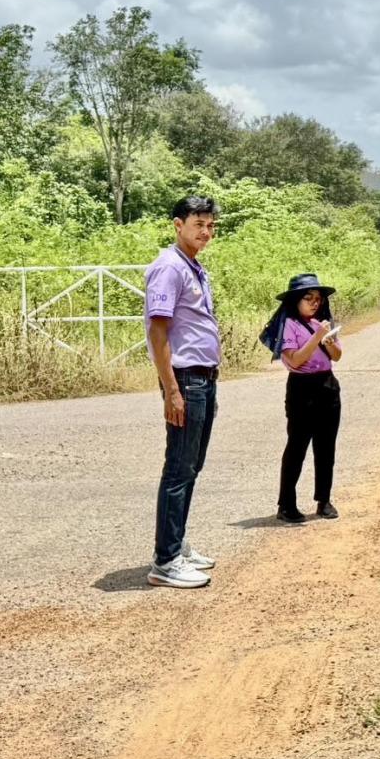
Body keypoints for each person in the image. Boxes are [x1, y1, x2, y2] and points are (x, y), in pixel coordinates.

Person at [145, 196, 221, 589]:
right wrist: (172, 390)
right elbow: (158, 331)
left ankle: (176, 544)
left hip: (203, 378)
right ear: (178, 224)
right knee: (178, 468)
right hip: (185, 380)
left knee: (191, 466)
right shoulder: (169, 267)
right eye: (198, 224)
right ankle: (165, 560)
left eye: (210, 225)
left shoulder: (194, 266)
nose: (205, 232)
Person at [260, 274, 343, 523]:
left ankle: (324, 500)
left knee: (326, 446)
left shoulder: (323, 323)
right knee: (297, 446)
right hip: (301, 388)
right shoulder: (289, 325)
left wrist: (328, 340)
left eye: (317, 299)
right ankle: (286, 504)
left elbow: (337, 356)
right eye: (308, 298)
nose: (314, 303)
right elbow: (295, 359)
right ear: (296, 300)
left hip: (327, 385)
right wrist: (316, 337)